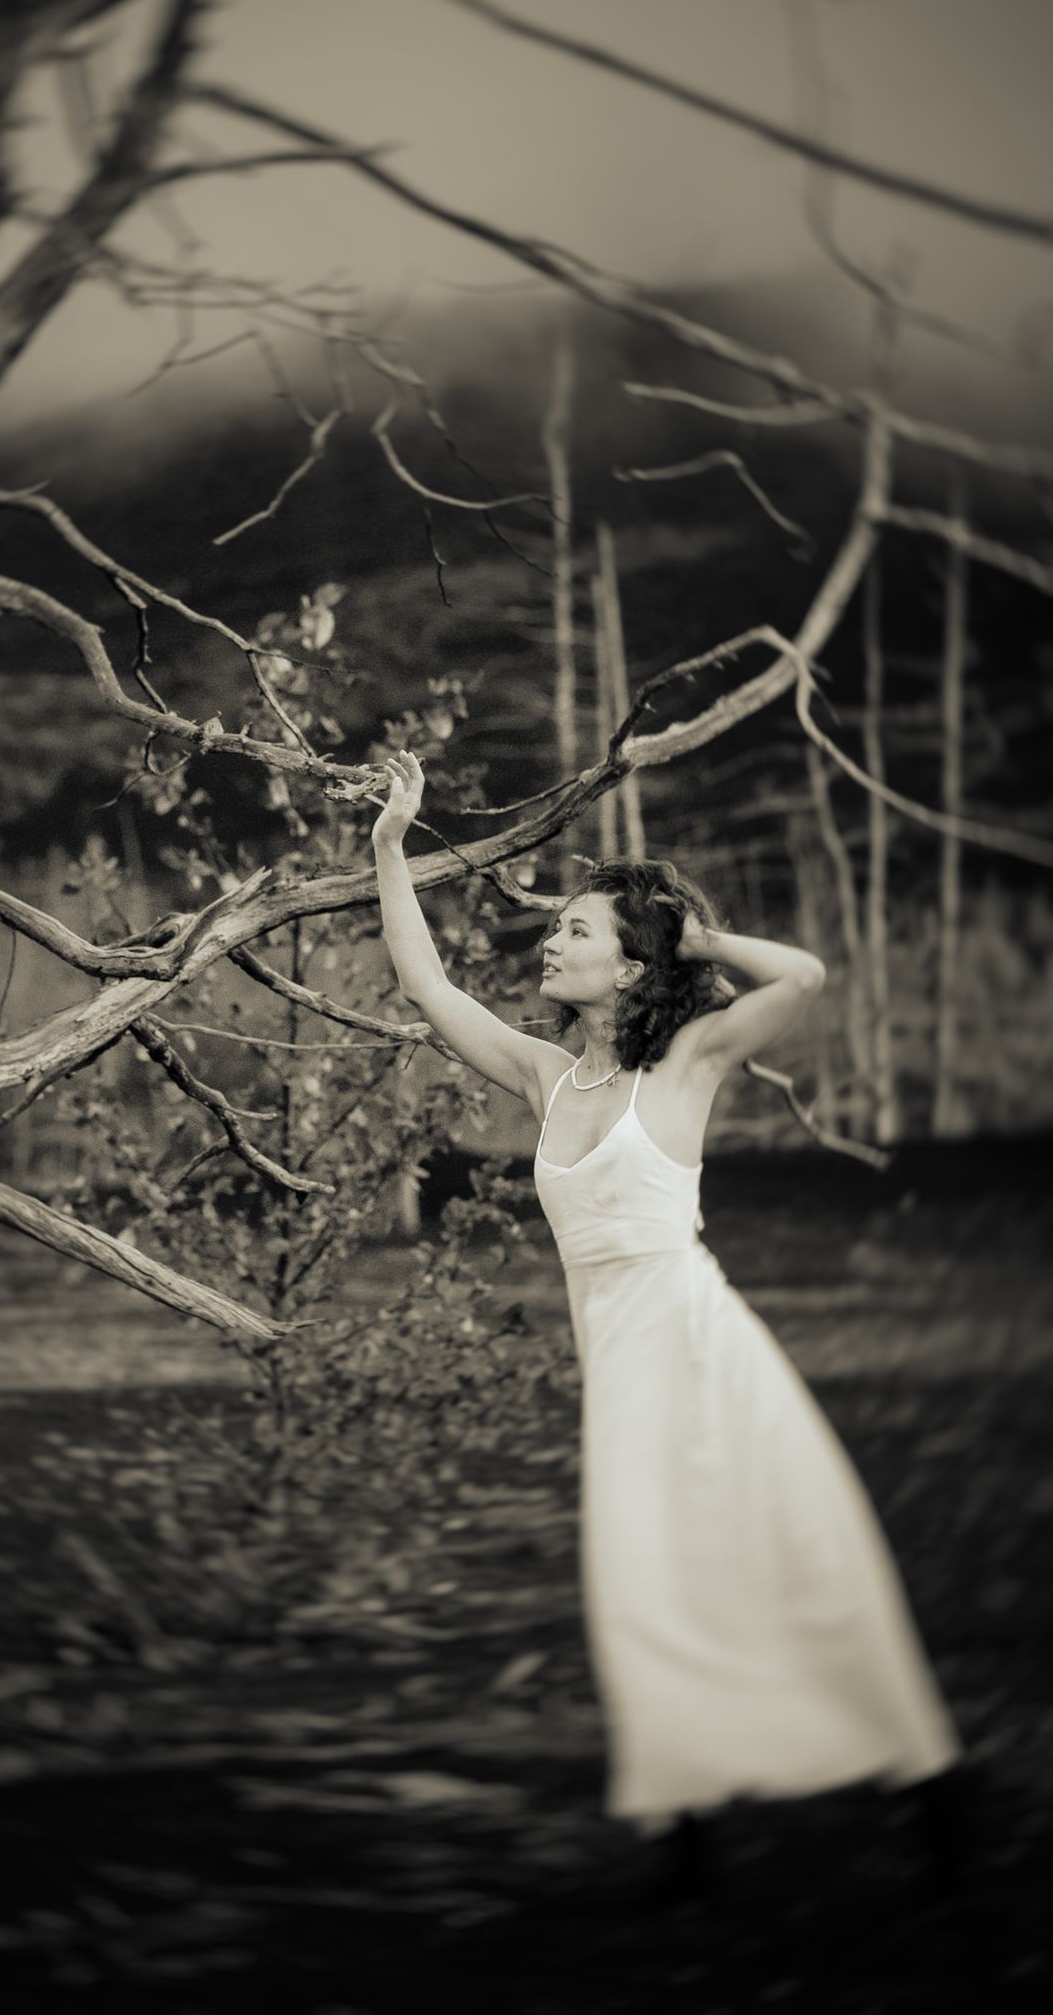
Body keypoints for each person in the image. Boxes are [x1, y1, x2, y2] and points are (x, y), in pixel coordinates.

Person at [371, 749, 966, 1904]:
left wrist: (698, 939)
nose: (552, 942)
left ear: (633, 963)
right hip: (621, 1375)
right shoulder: (546, 1078)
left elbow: (803, 976)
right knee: (644, 1586)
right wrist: (392, 846)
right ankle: (688, 1811)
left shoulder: (688, 1064)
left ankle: (924, 1782)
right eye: (558, 928)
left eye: (577, 930)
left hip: (701, 1352)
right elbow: (428, 986)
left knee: (799, 1566)